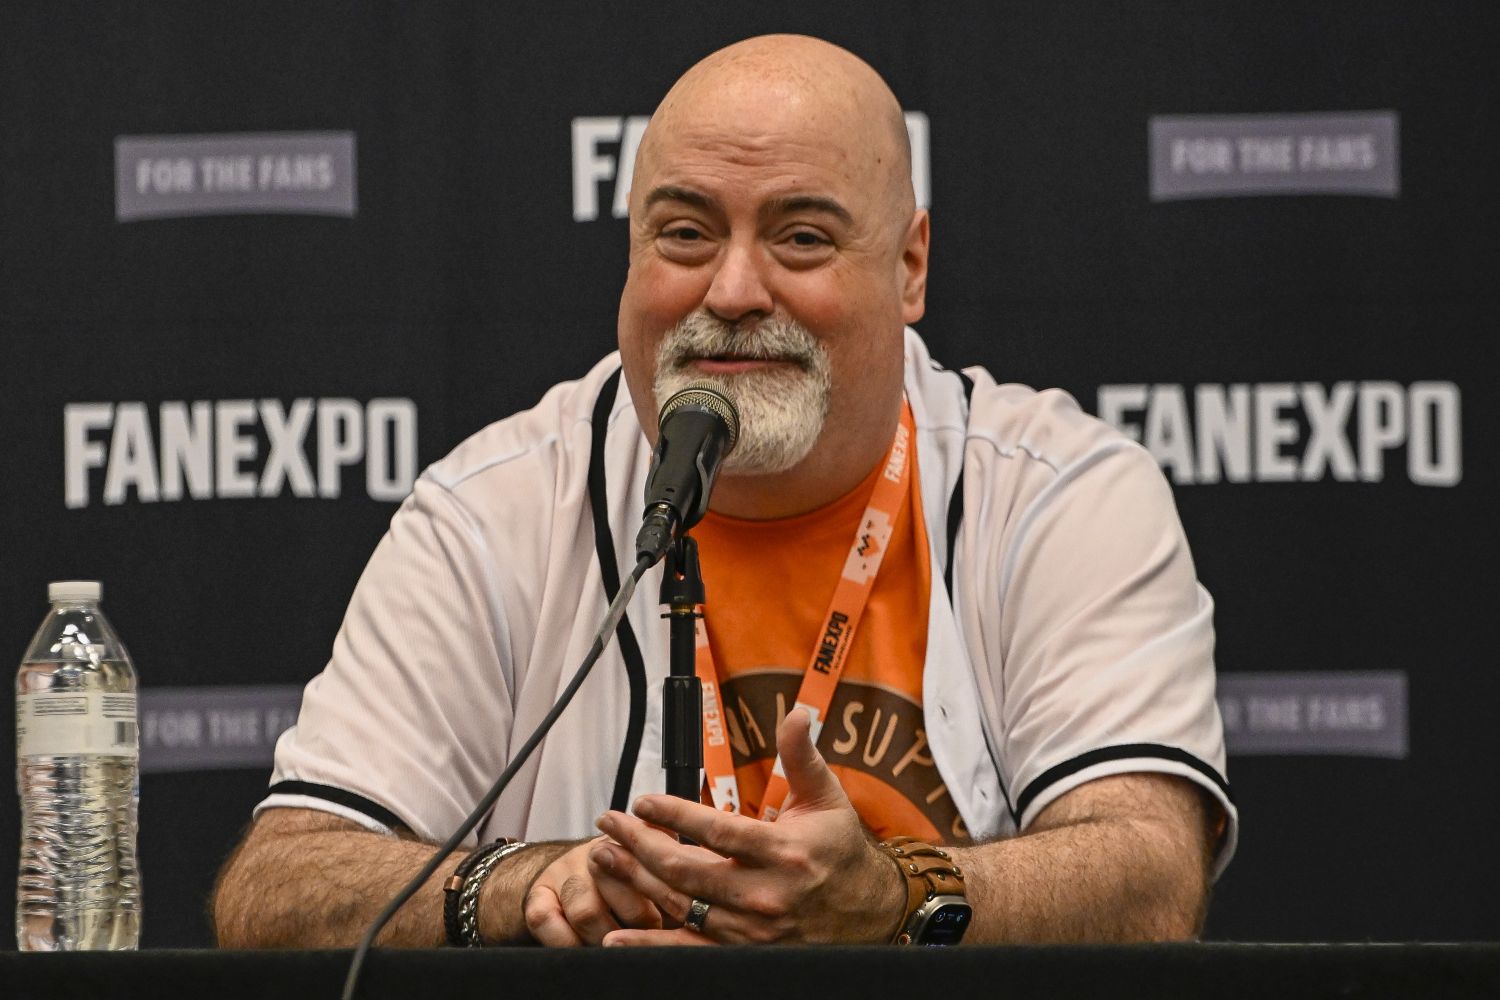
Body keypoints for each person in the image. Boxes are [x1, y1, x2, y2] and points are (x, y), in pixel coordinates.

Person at [213, 33, 1236, 949]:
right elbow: (281, 884)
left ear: (910, 267)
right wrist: (532, 883)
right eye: (687, 233)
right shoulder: (497, 506)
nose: (734, 291)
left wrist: (889, 900)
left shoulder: (1060, 492)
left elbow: (1147, 873)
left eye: (801, 237)